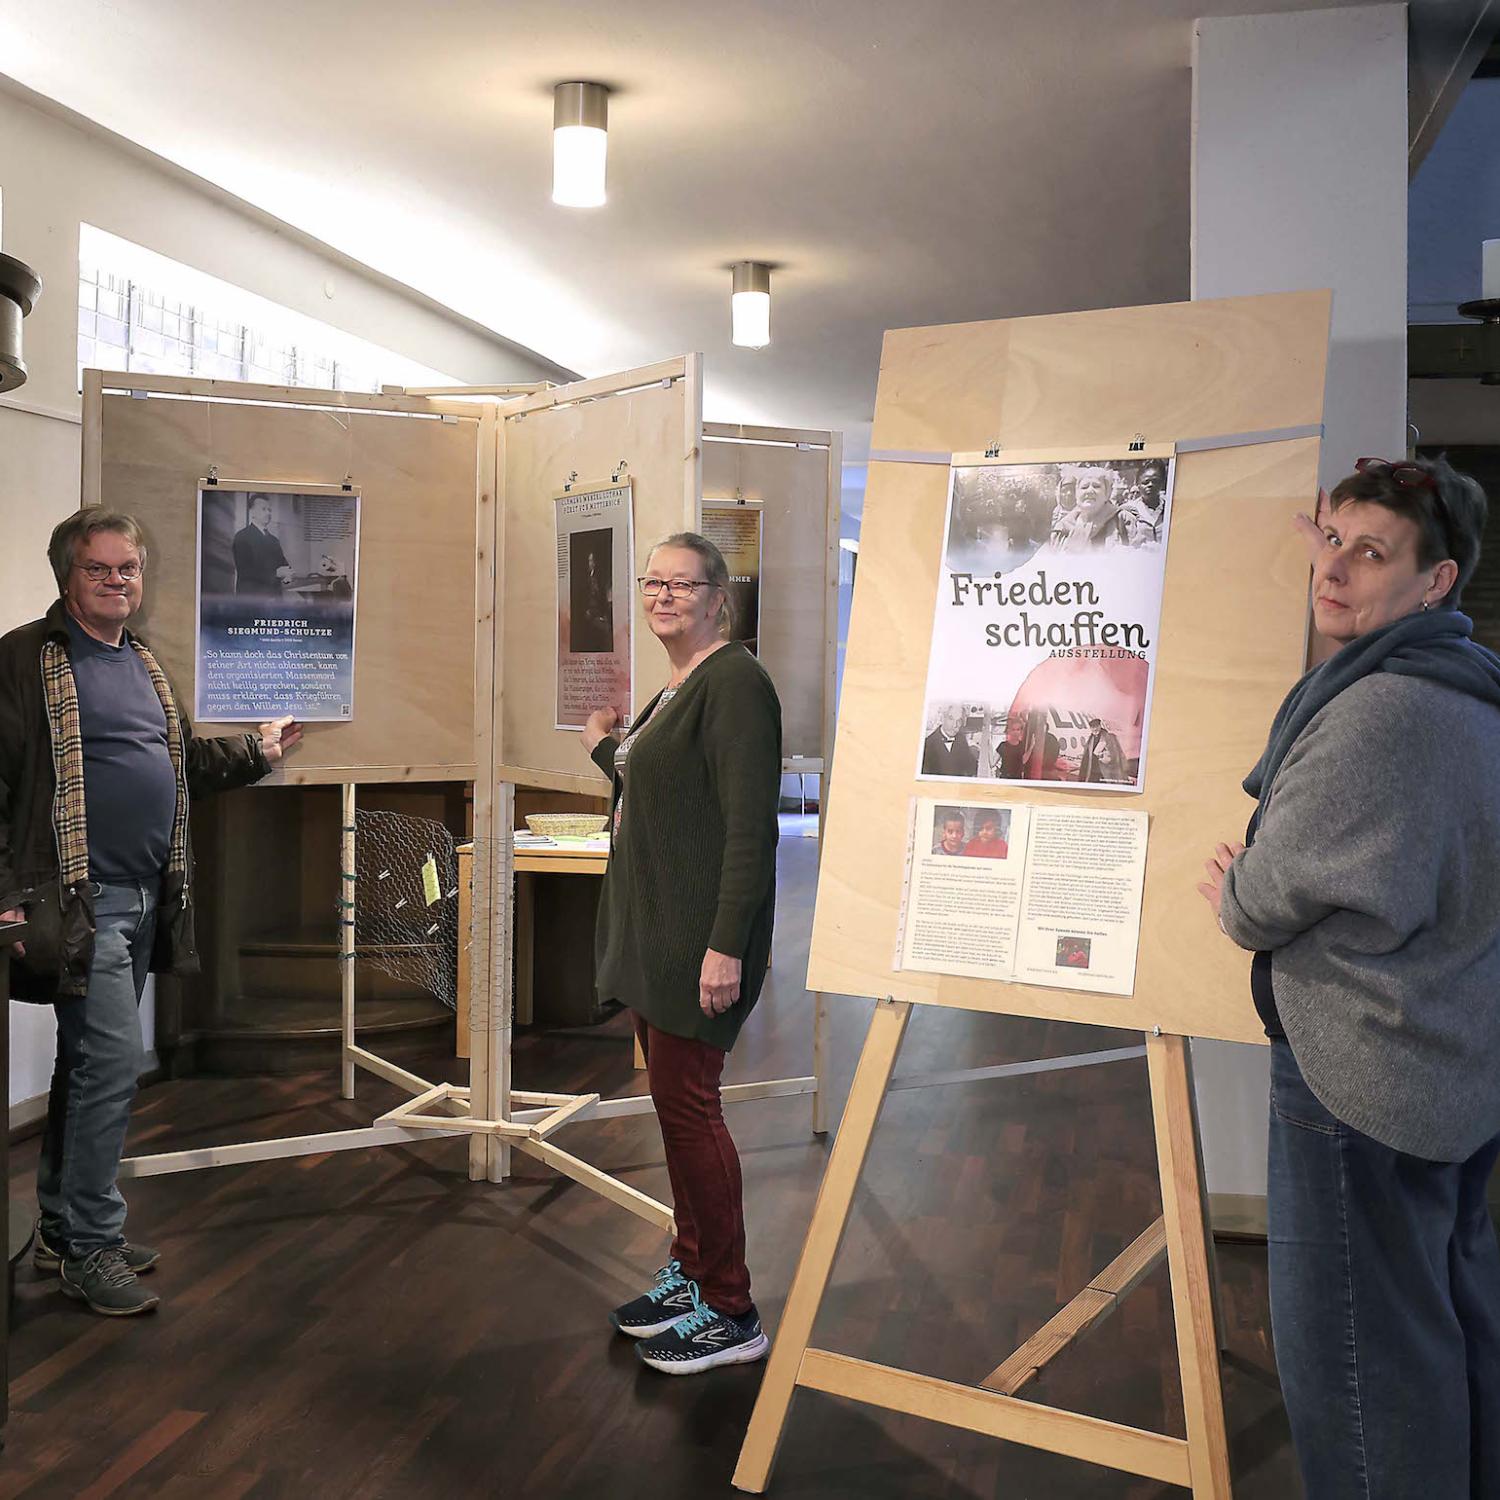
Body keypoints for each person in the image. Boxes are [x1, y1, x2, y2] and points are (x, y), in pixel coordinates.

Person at [1196, 455, 1500, 1499]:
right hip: (1449, 1062)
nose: (1335, 570)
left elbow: (1260, 900)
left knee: (1357, 1370)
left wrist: (1242, 887)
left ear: (1436, 582)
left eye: (1372, 553)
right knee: (1444, 1328)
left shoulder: (1378, 714)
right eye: (1330, 541)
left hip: (1361, 1077)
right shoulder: (1471, 690)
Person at [0, 511, 302, 1317]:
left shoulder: (141, 661)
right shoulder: (26, 657)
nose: (117, 582)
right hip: (75, 902)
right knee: (108, 1072)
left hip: (142, 896)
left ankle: (66, 1229)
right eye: (100, 570)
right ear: (68, 575)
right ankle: (92, 1246)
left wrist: (257, 753)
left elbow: (179, 762)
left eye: (128, 568)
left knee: (88, 1069)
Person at [581, 530, 780, 1375]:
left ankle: (731, 1305)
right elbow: (661, 791)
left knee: (692, 1111)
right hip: (657, 937)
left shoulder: (736, 685)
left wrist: (725, 948)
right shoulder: (677, 686)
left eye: (681, 584)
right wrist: (605, 750)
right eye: (652, 583)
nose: (662, 596)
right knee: (674, 1111)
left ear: (717, 596)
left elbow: (747, 830)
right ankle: (693, 1272)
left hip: (698, 946)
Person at [232, 492, 293, 597]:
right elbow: (245, 571)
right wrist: (276, 574)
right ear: (252, 512)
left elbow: (284, 564)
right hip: (252, 600)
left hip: (274, 599)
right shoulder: (242, 537)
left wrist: (287, 576)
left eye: (269, 510)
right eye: (263, 509)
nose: (268, 513)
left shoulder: (274, 540)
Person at [921, 703, 978, 777]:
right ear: (942, 718)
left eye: (959, 720)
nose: (955, 725)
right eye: (951, 719)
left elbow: (971, 766)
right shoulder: (927, 745)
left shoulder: (961, 738)